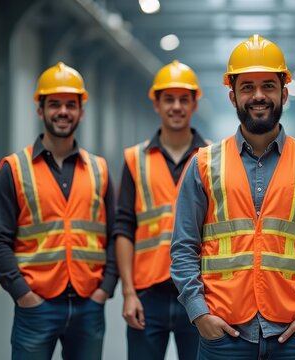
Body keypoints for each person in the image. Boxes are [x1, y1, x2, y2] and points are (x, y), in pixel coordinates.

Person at [170, 34, 295, 360]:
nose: (259, 95)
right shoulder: (204, 164)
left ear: (283, 91)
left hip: (292, 335)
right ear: (233, 94)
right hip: (223, 335)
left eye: (268, 85)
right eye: (247, 87)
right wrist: (199, 313)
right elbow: (183, 247)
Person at [0, 62, 117, 360]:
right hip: (37, 306)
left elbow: (114, 234)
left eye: (71, 105)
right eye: (54, 104)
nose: (63, 112)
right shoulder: (14, 169)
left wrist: (105, 289)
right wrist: (23, 294)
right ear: (40, 110)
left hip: (88, 304)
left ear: (81, 111)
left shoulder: (100, 169)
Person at [114, 60, 207, 360]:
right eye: (169, 99)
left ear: (195, 103)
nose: (176, 107)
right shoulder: (134, 160)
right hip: (147, 297)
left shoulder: (213, 159)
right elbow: (124, 228)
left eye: (184, 99)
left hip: (200, 295)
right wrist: (128, 292)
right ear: (156, 103)